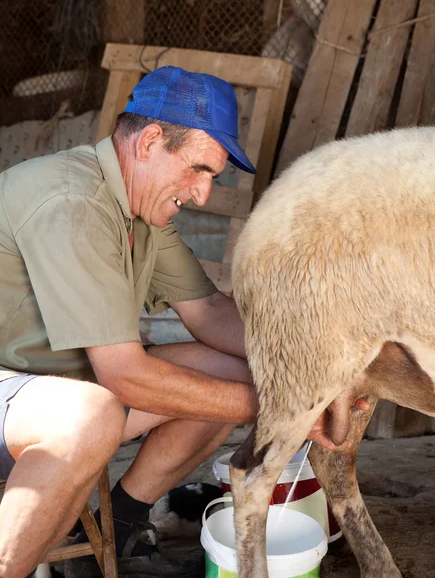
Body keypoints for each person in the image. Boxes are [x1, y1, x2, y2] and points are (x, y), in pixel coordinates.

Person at [0, 66, 367, 578]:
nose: (202, 194)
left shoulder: (139, 211)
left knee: (234, 371)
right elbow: (124, 376)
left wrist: (324, 367)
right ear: (150, 141)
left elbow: (211, 312)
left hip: (63, 390)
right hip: (18, 393)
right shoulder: (72, 202)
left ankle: (116, 525)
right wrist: (284, 409)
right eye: (198, 169)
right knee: (95, 412)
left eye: (212, 178)